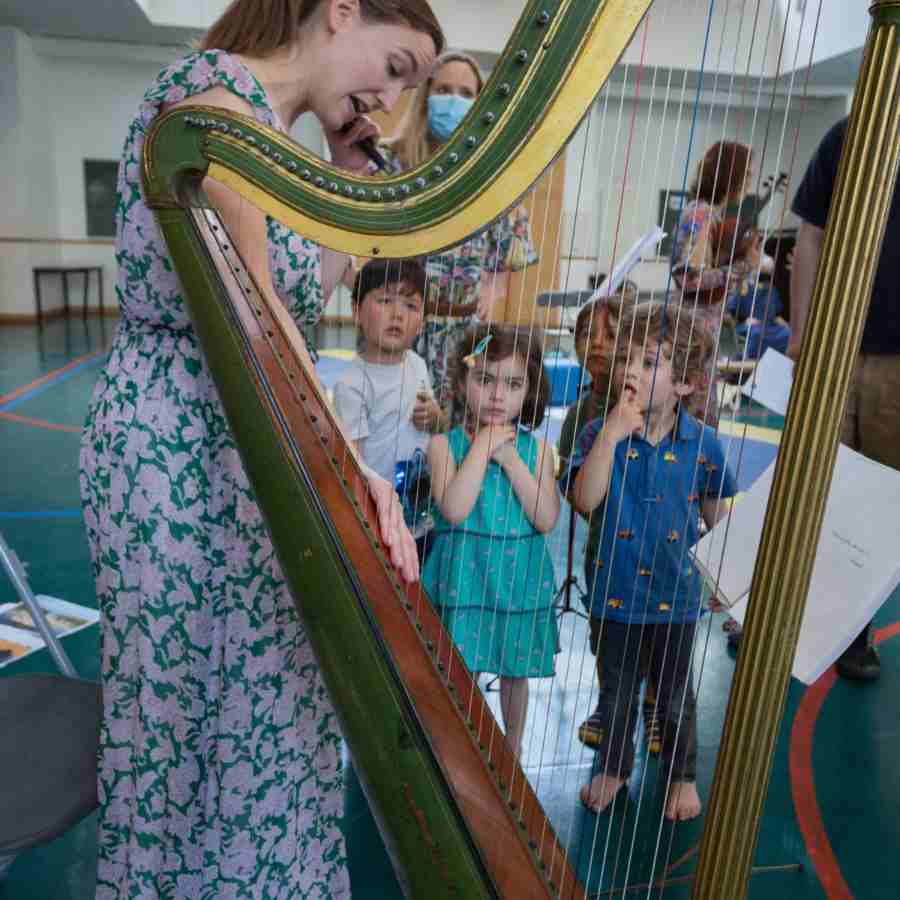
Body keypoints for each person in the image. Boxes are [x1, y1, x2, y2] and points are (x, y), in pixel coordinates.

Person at [79, 2, 443, 897]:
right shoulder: (215, 97)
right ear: (341, 11)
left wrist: (351, 179)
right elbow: (257, 311)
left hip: (250, 444)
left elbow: (292, 282)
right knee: (178, 732)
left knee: (266, 708)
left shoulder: (278, 136)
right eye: (395, 66)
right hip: (178, 450)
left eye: (408, 86)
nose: (391, 101)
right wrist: (354, 464)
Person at [565, 302, 736, 821]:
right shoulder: (600, 433)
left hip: (678, 596)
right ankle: (616, 767)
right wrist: (612, 435)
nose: (631, 371)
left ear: (684, 384)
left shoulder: (703, 443)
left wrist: (728, 577)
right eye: (629, 360)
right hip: (615, 592)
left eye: (650, 362)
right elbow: (584, 500)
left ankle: (681, 776)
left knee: (675, 697)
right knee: (615, 694)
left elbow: (716, 517)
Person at [788, 116, 900, 682]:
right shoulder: (851, 133)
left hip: (896, 361)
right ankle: (787, 615)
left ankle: (854, 629)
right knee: (811, 487)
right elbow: (811, 235)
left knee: (880, 501)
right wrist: (802, 332)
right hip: (832, 348)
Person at [423, 324, 559, 756]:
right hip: (467, 578)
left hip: (518, 581)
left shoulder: (538, 452)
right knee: (462, 667)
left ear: (528, 392)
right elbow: (455, 509)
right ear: (463, 384)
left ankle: (512, 746)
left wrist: (509, 458)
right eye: (486, 380)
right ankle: (459, 742)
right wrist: (482, 448)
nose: (498, 396)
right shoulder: (443, 447)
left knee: (515, 670)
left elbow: (546, 517)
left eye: (513, 384)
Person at [380, 51, 538, 414]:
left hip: (466, 336)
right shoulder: (394, 162)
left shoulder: (494, 174)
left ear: (480, 103)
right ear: (425, 96)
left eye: (466, 94)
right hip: (400, 329)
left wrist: (494, 284)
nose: (454, 100)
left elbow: (512, 246)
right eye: (444, 89)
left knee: (453, 436)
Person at [333, 258, 443, 550]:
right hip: (378, 519)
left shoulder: (418, 365)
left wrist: (435, 416)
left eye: (410, 306)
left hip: (421, 515)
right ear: (356, 311)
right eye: (385, 300)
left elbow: (435, 427)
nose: (398, 314)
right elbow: (351, 462)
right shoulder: (352, 384)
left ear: (421, 321)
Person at [672, 141, 763, 426]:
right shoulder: (702, 214)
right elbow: (689, 278)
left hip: (701, 332)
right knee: (694, 423)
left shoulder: (708, 213)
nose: (749, 180)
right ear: (730, 174)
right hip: (692, 334)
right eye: (746, 173)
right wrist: (744, 265)